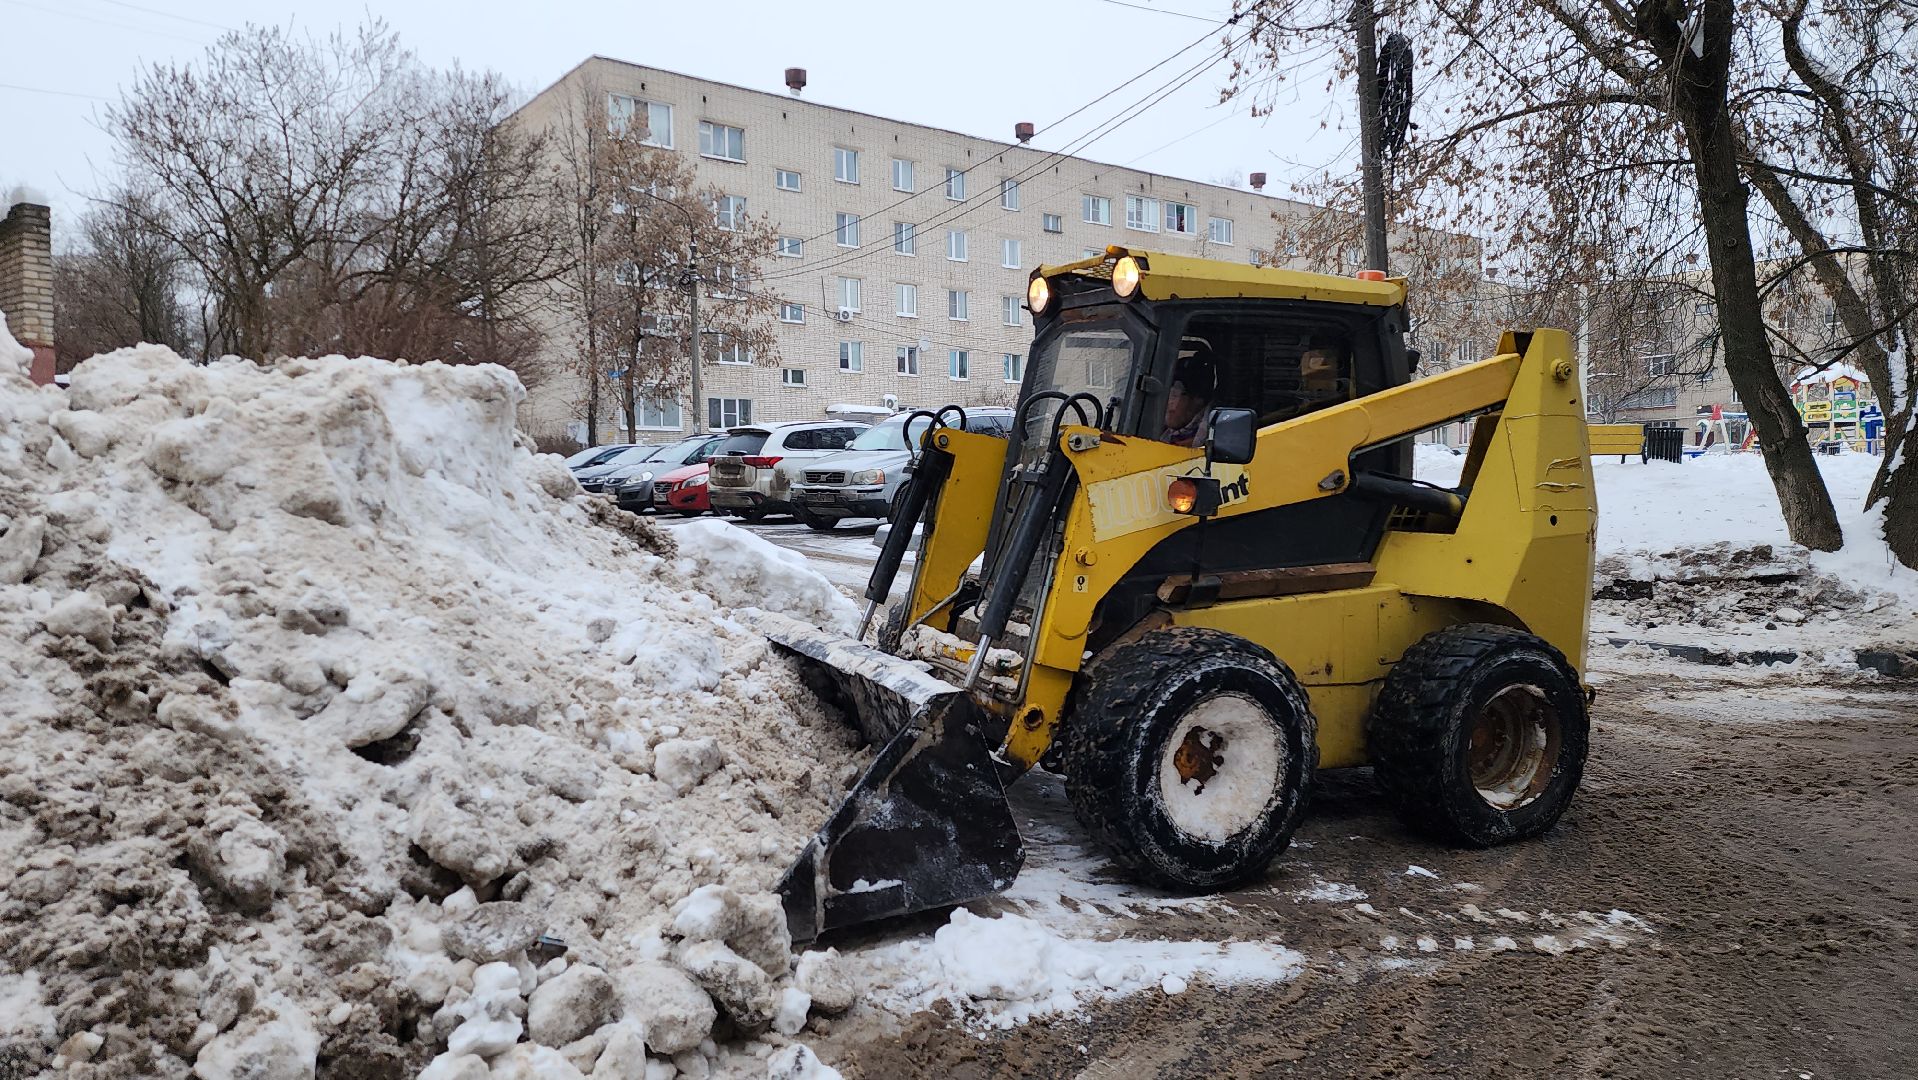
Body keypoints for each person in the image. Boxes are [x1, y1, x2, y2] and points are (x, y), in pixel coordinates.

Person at [1159, 347, 1216, 447]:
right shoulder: (1158, 433)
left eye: (1174, 395)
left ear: (1198, 401)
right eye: (1166, 394)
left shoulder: (1208, 446)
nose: (1168, 402)